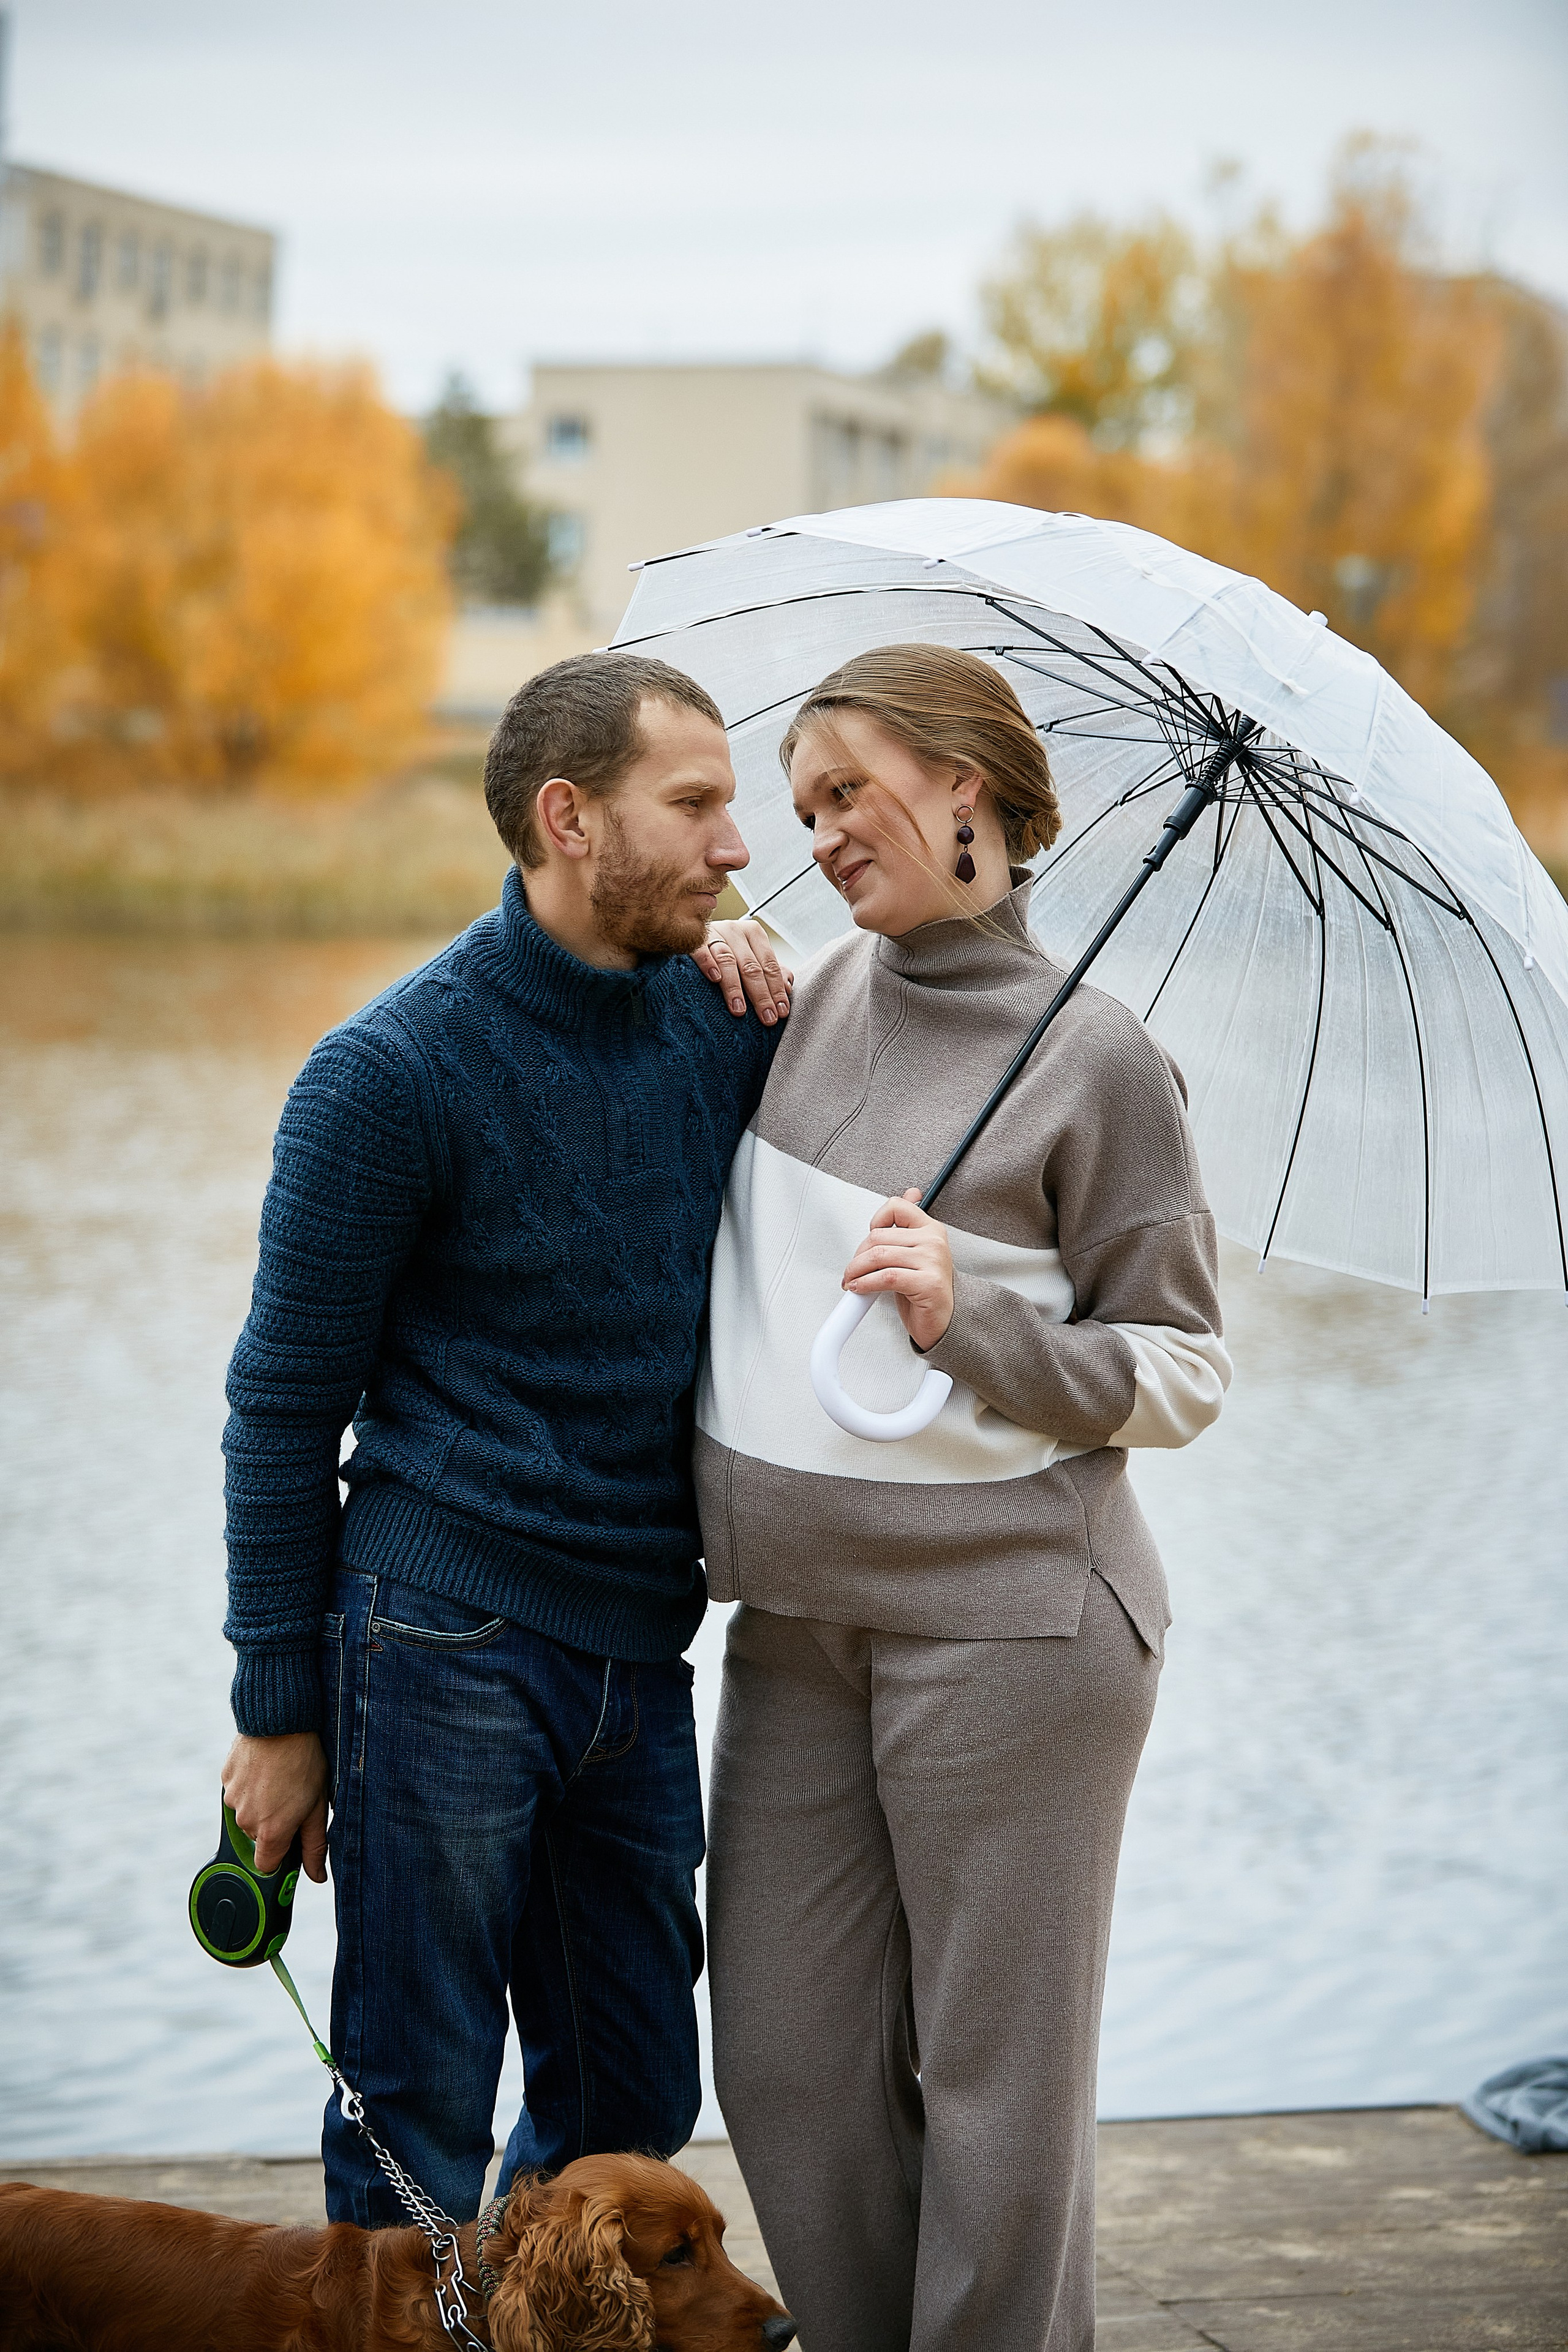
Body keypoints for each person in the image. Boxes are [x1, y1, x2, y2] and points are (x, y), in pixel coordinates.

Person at [698, 644, 1232, 2352]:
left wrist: (978, 1317)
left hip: (1019, 1629)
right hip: (797, 1629)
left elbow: (1185, 1371)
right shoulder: (810, 996)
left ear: (964, 790)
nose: (822, 836)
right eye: (802, 810)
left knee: (998, 2115)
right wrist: (682, 958)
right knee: (782, 2063)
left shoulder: (1101, 1063)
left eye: (849, 791)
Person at [219, 650, 791, 2228]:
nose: (737, 845)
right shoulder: (387, 1075)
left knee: (631, 2101)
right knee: (414, 2100)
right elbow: (277, 1404)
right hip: (435, 1637)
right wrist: (279, 1708)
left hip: (637, 1640)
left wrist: (779, 967)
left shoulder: (731, 1028)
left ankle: (533, 2334)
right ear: (569, 818)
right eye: (695, 805)